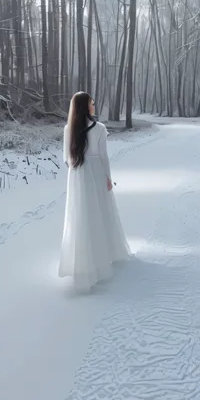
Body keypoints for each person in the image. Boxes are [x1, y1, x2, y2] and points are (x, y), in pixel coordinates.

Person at [58, 92, 131, 292]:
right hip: (96, 172)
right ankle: (104, 255)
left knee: (80, 216)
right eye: (91, 103)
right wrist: (108, 178)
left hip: (77, 175)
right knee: (101, 211)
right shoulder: (99, 128)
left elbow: (67, 158)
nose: (94, 106)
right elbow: (104, 156)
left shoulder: (68, 129)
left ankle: (81, 260)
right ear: (85, 107)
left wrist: (78, 171)